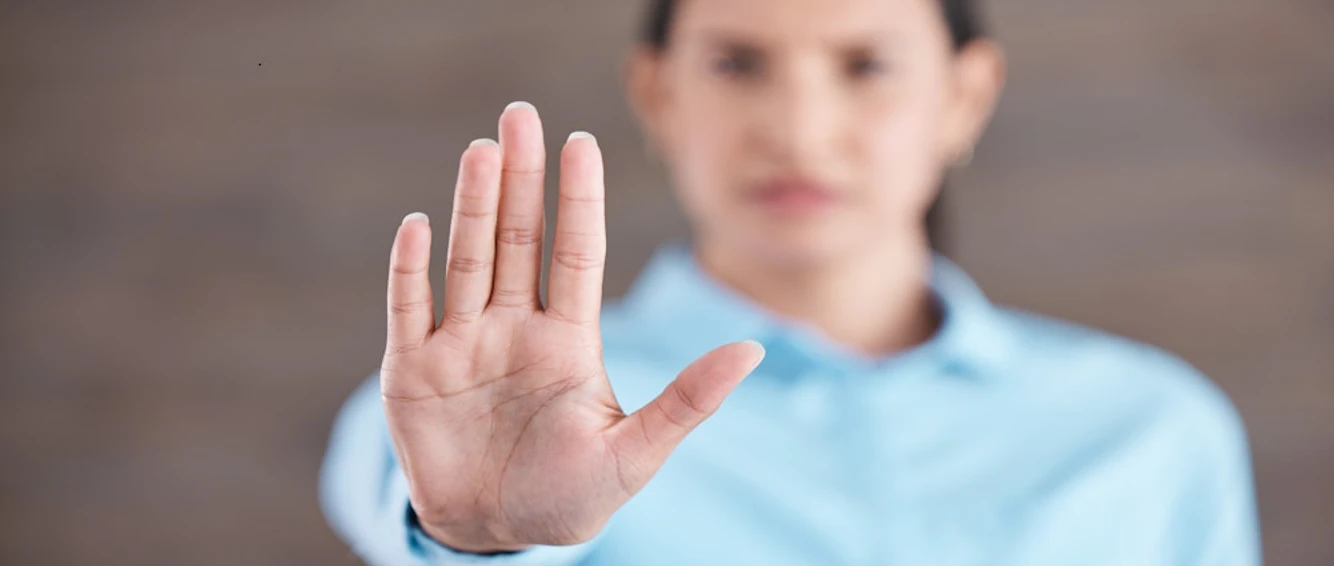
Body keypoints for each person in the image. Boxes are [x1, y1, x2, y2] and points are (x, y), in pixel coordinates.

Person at [319, 0, 1261, 564]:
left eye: (867, 65)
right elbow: (422, 510)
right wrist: (479, 541)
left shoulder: (1152, 430)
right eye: (736, 63)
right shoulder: (471, 411)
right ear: (657, 94)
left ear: (965, 95)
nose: (800, 130)